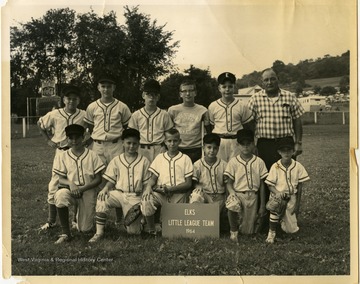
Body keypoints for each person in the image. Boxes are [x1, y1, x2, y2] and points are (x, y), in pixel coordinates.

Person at [247, 68, 305, 232]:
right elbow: (249, 122)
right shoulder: (255, 98)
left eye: (272, 79)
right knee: (266, 180)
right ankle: (265, 217)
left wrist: (298, 142)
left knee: (288, 179)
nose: (269, 82)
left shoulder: (289, 96)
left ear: (277, 79)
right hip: (264, 143)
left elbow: (297, 121)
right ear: (262, 82)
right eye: (266, 80)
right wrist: (253, 144)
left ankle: (287, 218)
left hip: (286, 143)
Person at [84, 73, 132, 225]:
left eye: (109, 86)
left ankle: (119, 217)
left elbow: (127, 127)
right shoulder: (92, 106)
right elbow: (90, 126)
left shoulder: (121, 106)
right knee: (95, 178)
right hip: (97, 145)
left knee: (118, 178)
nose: (106, 89)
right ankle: (97, 215)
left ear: (114, 88)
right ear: (98, 88)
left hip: (115, 144)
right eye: (103, 86)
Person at [88, 128, 151, 242]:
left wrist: (144, 195)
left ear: (138, 144)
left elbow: (147, 183)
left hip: (135, 196)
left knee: (133, 232)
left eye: (134, 143)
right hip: (119, 194)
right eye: (128, 143)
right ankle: (99, 233)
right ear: (122, 142)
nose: (131, 146)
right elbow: (111, 180)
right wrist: (106, 188)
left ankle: (141, 222)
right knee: (102, 198)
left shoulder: (144, 161)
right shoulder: (117, 160)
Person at [38, 85, 86, 231]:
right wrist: (48, 140)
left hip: (78, 153)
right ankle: (51, 221)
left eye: (74, 98)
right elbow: (40, 123)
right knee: (54, 185)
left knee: (77, 184)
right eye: (68, 98)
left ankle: (76, 220)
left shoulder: (83, 114)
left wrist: (88, 142)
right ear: (63, 100)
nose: (71, 101)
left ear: (79, 100)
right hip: (61, 151)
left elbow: (93, 127)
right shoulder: (55, 114)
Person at [52, 124, 106, 244]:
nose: (74, 141)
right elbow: (61, 179)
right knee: (60, 195)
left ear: (83, 138)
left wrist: (83, 188)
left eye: (77, 137)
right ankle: (66, 232)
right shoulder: (63, 156)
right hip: (71, 190)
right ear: (67, 139)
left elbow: (98, 179)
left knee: (85, 229)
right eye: (71, 138)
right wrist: (71, 183)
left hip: (88, 190)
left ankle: (79, 219)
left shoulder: (92, 154)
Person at [140, 128, 193, 237]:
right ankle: (151, 230)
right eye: (169, 141)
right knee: (146, 201)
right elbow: (153, 179)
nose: (172, 144)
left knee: (174, 230)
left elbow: (188, 184)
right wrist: (148, 187)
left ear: (180, 141)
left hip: (179, 195)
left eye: (175, 141)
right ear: (165, 142)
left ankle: (162, 223)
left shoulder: (185, 158)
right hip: (161, 194)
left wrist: (170, 189)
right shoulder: (159, 158)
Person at [224, 129, 268, 242]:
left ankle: (246, 228)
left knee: (249, 231)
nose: (245, 147)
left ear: (253, 144)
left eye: (248, 144)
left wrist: (262, 205)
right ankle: (233, 231)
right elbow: (228, 183)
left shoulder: (259, 162)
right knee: (232, 205)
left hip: (253, 196)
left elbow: (262, 184)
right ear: (238, 145)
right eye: (242, 144)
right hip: (239, 195)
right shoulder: (233, 162)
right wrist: (232, 193)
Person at [264, 137, 310, 244]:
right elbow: (269, 185)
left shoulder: (298, 166)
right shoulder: (275, 166)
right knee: (276, 205)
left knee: (291, 231)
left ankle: (282, 221)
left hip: (291, 197)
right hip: (278, 195)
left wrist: (297, 204)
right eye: (283, 150)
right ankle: (272, 232)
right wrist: (277, 193)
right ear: (279, 152)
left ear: (293, 151)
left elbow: (300, 186)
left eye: (289, 150)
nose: (286, 153)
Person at [208, 72, 253, 162]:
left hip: (236, 141)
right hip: (219, 142)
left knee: (236, 168)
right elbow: (211, 126)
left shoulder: (242, 105)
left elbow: (247, 126)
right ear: (219, 88)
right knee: (219, 168)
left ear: (234, 87)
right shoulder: (213, 106)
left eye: (230, 86)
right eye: (224, 87)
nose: (227, 89)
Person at [128, 79, 173, 163]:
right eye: (149, 94)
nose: (151, 98)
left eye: (154, 95)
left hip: (159, 149)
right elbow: (132, 135)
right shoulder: (136, 115)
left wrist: (165, 147)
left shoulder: (164, 114)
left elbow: (169, 134)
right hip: (141, 149)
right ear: (143, 95)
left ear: (158, 97)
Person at [168, 78, 211, 163]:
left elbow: (208, 132)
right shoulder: (173, 110)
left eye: (191, 90)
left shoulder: (202, 110)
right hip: (178, 148)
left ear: (195, 93)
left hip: (196, 149)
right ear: (180, 94)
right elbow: (168, 131)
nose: (188, 94)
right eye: (184, 91)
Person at [189, 133, 227, 213]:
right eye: (209, 147)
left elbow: (227, 184)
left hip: (219, 196)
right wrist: (198, 186)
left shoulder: (224, 164)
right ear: (203, 148)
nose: (212, 151)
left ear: (218, 149)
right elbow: (194, 182)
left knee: (214, 217)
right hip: (204, 195)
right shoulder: (197, 164)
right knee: (195, 197)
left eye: (215, 148)